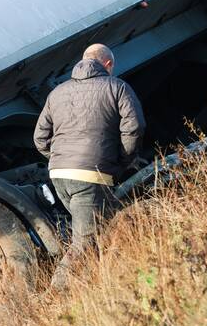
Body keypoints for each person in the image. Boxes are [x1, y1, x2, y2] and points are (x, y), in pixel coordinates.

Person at [33, 43, 145, 290]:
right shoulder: (117, 87)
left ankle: (99, 289)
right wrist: (121, 162)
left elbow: (40, 138)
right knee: (84, 242)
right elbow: (134, 128)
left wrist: (59, 159)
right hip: (90, 175)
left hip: (59, 175)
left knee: (101, 231)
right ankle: (55, 295)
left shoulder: (58, 93)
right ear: (108, 65)